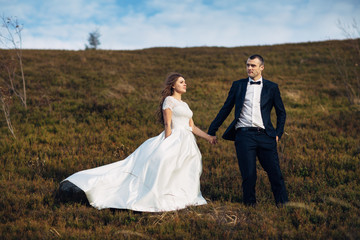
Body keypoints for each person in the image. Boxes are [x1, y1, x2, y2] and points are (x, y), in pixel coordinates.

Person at [59, 73, 216, 212]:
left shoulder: (185, 105)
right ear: (173, 85)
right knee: (165, 165)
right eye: (181, 82)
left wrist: (208, 137)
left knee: (186, 169)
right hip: (174, 138)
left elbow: (192, 126)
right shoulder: (169, 100)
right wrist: (168, 143)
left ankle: (183, 197)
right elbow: (168, 124)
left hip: (188, 141)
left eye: (184, 81)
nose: (185, 84)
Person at [208, 54, 289, 206]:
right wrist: (212, 130)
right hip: (244, 136)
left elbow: (281, 112)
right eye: (248, 65)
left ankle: (283, 205)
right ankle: (250, 207)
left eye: (253, 65)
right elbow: (226, 109)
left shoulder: (272, 87)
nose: (249, 68)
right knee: (249, 175)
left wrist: (278, 133)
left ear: (261, 67)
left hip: (266, 136)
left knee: (275, 174)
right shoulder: (238, 85)